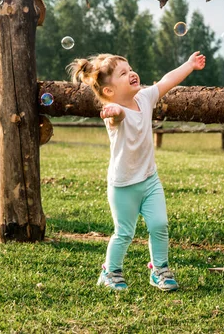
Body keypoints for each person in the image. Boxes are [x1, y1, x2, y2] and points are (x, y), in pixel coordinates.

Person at [67, 51, 206, 291]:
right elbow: (117, 117)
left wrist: (189, 65)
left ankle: (160, 270)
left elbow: (166, 81)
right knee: (124, 233)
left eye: (130, 68)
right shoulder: (113, 111)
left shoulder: (145, 98)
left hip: (150, 180)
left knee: (159, 225)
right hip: (123, 186)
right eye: (123, 73)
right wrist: (114, 112)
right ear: (109, 91)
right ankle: (110, 273)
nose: (131, 73)